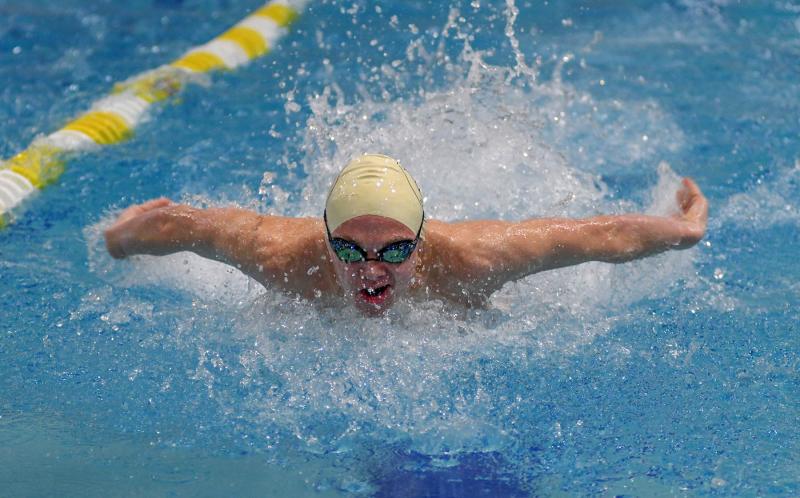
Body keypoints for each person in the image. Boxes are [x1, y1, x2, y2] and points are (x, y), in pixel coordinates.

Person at [104, 153, 708, 315]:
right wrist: (120, 236)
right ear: (325, 238)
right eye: (349, 248)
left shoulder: (473, 259)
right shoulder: (282, 256)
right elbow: (185, 227)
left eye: (395, 249)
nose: (371, 268)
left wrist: (685, 230)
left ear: (421, 239)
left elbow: (599, 237)